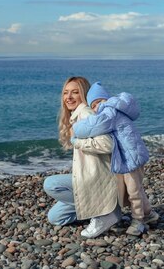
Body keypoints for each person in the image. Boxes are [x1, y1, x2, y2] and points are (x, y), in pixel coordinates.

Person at [72, 82, 159, 236]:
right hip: (129, 156)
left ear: (106, 99)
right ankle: (149, 214)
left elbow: (93, 126)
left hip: (131, 158)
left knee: (133, 191)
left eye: (99, 102)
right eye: (94, 105)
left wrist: (76, 130)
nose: (97, 107)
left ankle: (138, 221)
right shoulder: (115, 109)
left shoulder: (109, 111)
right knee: (136, 188)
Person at [43, 76, 121, 238]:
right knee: (56, 218)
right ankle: (107, 209)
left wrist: (76, 141)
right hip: (89, 179)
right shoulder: (75, 116)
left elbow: (108, 144)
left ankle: (105, 213)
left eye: (75, 92)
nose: (69, 97)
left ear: (83, 94)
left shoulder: (86, 114)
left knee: (51, 184)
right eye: (65, 93)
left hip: (100, 179)